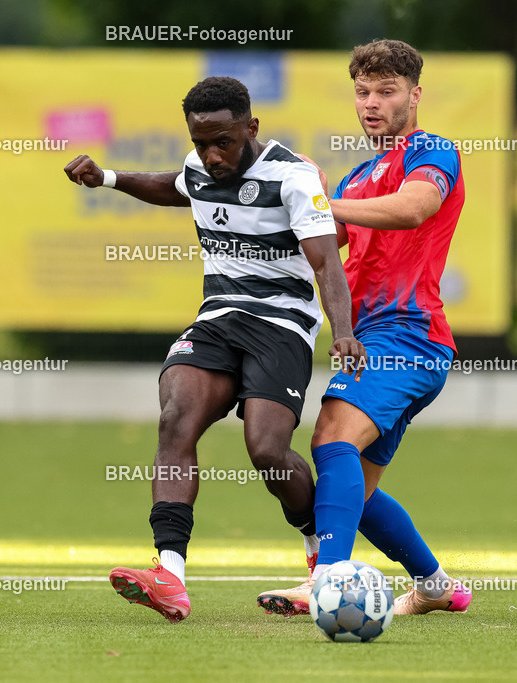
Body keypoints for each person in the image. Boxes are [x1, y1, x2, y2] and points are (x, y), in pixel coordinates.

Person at [63, 76, 365, 623]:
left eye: (222, 141)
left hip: (282, 324)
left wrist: (342, 331)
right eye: (201, 142)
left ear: (251, 127)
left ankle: (320, 547)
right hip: (218, 320)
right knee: (175, 419)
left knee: (267, 452)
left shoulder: (292, 177)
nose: (211, 154)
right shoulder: (200, 164)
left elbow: (326, 262)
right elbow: (174, 184)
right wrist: (106, 177)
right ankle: (170, 574)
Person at [257, 39, 472, 617]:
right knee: (356, 488)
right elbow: (319, 255)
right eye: (362, 91)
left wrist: (324, 206)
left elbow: (414, 208)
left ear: (414, 94)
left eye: (387, 90)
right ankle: (435, 587)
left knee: (329, 440)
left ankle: (326, 578)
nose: (372, 103)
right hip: (380, 340)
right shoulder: (356, 178)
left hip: (406, 335)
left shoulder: (431, 151)